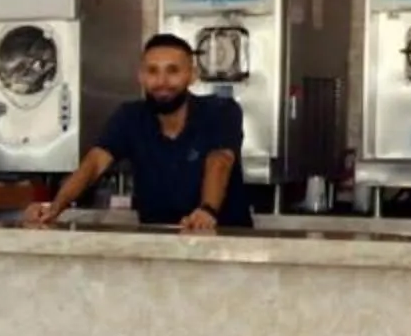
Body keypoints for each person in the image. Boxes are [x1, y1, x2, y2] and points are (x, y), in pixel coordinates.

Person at [23, 32, 253, 234]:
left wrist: (207, 211)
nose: (162, 81)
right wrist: (54, 207)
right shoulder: (130, 117)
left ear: (191, 75)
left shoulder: (220, 110)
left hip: (225, 239)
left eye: (173, 71)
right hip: (157, 242)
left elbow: (219, 161)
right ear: (141, 76)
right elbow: (94, 163)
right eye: (152, 71)